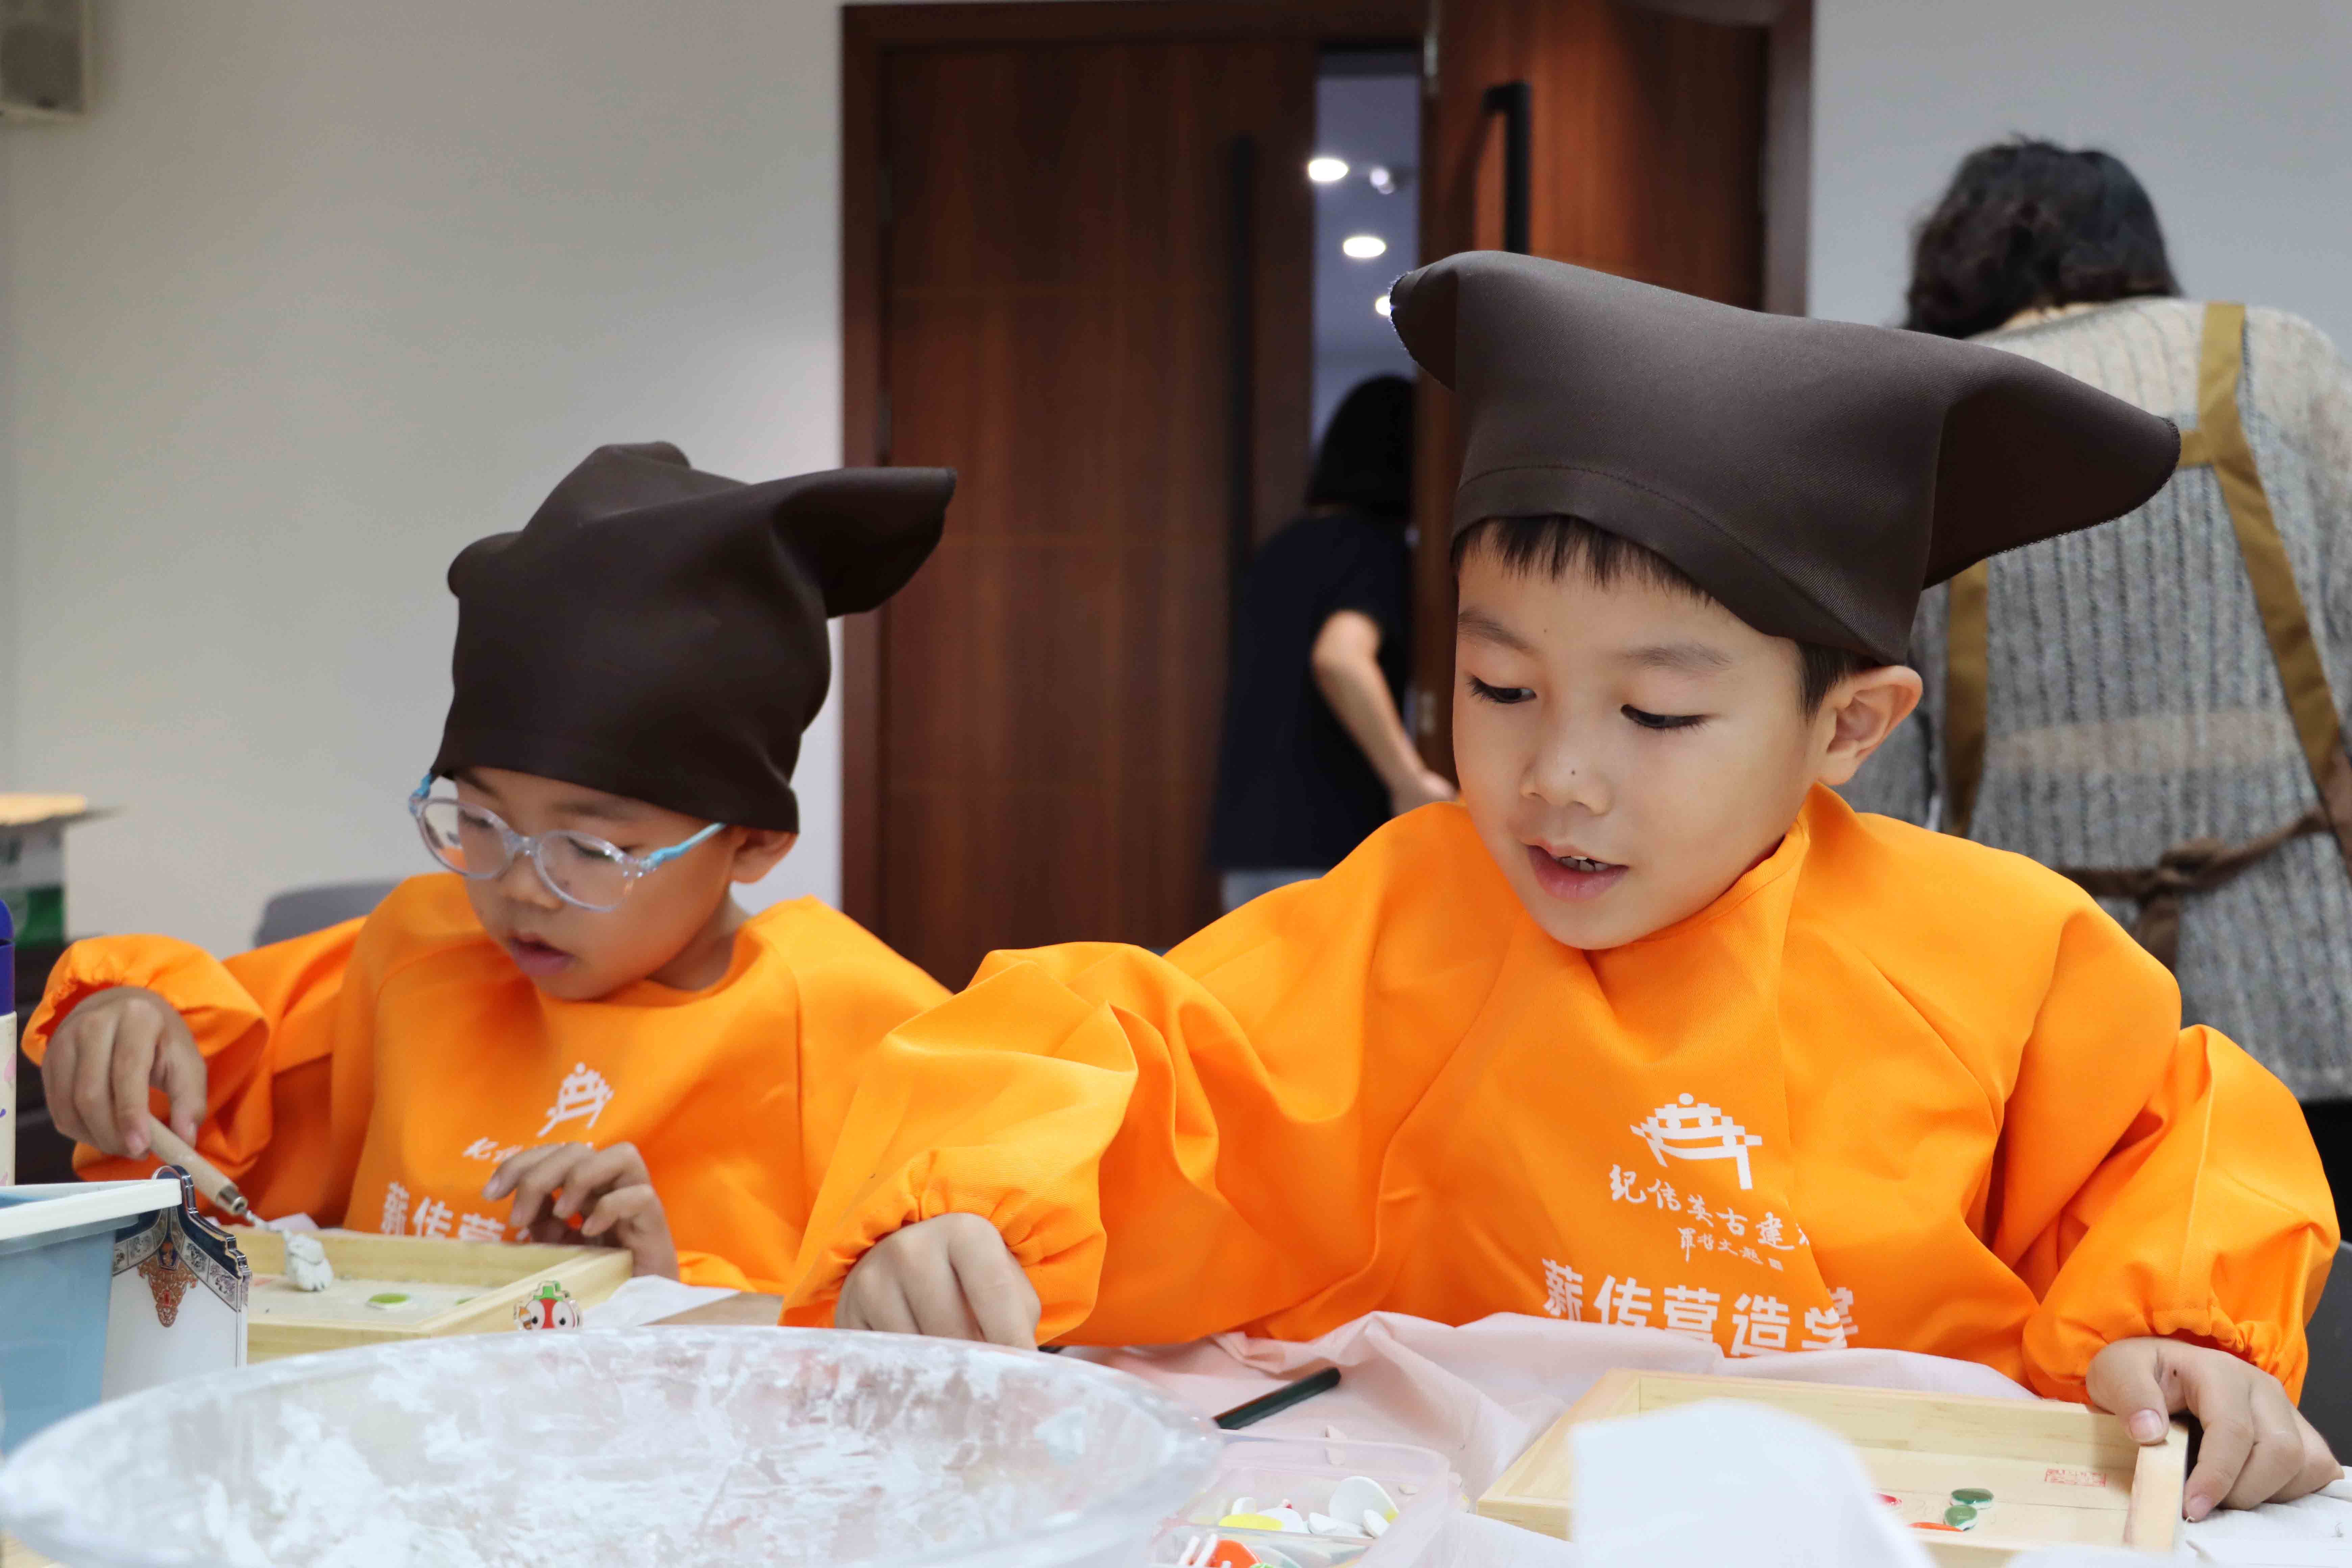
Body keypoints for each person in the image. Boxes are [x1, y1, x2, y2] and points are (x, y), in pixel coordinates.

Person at [789, 255, 2340, 1519]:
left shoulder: (1996, 953)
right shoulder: (1405, 920)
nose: (1559, 777)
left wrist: (2182, 1335)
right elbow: (1131, 1050)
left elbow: (2174, 1142)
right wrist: (962, 1202)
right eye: (1499, 686)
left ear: (1849, 726)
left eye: (1656, 713)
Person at [24, 444, 954, 1291]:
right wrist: (128, 1018)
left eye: (591, 849)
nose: (516, 886)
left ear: (751, 840)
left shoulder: (857, 1024)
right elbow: (217, 1079)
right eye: (479, 821)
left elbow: (921, 1338)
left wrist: (660, 1295)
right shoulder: (423, 952)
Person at [1845, 139, 2352, 1212]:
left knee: (2091, 1307)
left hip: (2044, 1016)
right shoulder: (2276, 360)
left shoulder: (1929, 423)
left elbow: (1869, 786)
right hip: (2314, 986)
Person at [1208, 375, 1454, 910]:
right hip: (1325, 843)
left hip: (1248, 846)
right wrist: (1410, 781)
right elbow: (1340, 659)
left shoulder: (1280, 550)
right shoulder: (1374, 550)